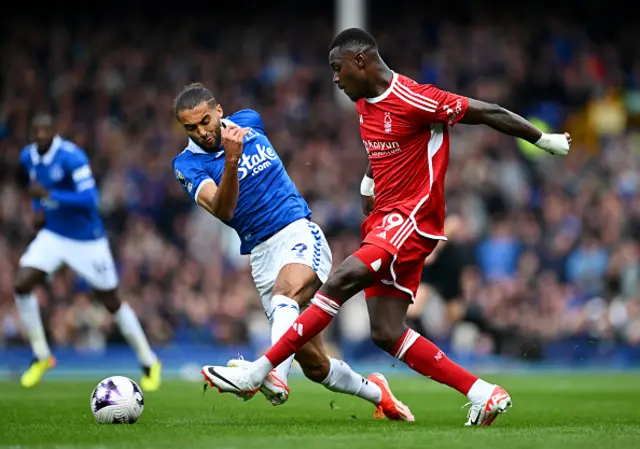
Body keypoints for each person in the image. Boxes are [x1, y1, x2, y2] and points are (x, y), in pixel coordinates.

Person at [201, 28, 572, 426]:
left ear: (360, 61)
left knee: (342, 278)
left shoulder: (415, 97)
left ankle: (259, 371)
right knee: (385, 331)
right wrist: (367, 183)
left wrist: (543, 139)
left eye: (337, 69)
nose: (335, 79)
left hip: (413, 217)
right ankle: (483, 393)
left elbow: (489, 112)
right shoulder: (365, 105)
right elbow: (378, 147)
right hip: (385, 220)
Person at [172, 83, 413, 420]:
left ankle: (270, 374)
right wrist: (231, 159)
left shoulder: (250, 121)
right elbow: (224, 211)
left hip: (298, 231)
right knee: (314, 365)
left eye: (205, 121)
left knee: (286, 295)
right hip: (261, 255)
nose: (201, 132)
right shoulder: (187, 165)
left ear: (219, 111)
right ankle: (379, 393)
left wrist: (233, 153)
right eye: (191, 128)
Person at [15, 113, 161, 390]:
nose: (42, 134)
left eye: (47, 129)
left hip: (86, 240)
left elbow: (89, 199)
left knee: (110, 300)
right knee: (22, 284)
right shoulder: (28, 156)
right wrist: (38, 211)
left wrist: (49, 197)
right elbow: (35, 191)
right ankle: (41, 355)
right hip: (54, 235)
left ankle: (148, 360)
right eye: (37, 130)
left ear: (55, 132)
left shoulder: (72, 157)